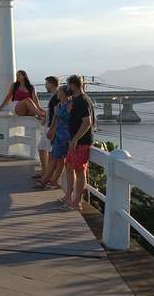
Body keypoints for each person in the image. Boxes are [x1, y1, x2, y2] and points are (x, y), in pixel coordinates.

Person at [64, 75, 94, 211]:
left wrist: (75, 139)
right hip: (74, 141)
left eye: (68, 84)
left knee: (79, 170)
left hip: (81, 142)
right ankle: (68, 197)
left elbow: (87, 122)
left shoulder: (83, 100)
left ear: (73, 85)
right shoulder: (75, 100)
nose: (66, 87)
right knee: (69, 167)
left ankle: (77, 202)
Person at [35, 86, 71, 190]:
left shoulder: (70, 105)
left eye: (59, 92)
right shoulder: (59, 105)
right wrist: (52, 131)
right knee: (55, 158)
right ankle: (50, 180)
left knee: (58, 159)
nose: (57, 94)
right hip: (58, 133)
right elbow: (55, 120)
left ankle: (48, 181)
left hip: (66, 135)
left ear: (64, 93)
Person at [34, 76, 60, 179]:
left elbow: (57, 114)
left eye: (46, 84)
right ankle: (45, 171)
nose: (45, 86)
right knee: (41, 148)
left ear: (51, 84)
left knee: (49, 151)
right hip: (48, 126)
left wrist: (52, 128)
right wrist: (45, 119)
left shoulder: (57, 96)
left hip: (52, 128)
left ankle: (48, 175)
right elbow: (52, 112)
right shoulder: (54, 95)